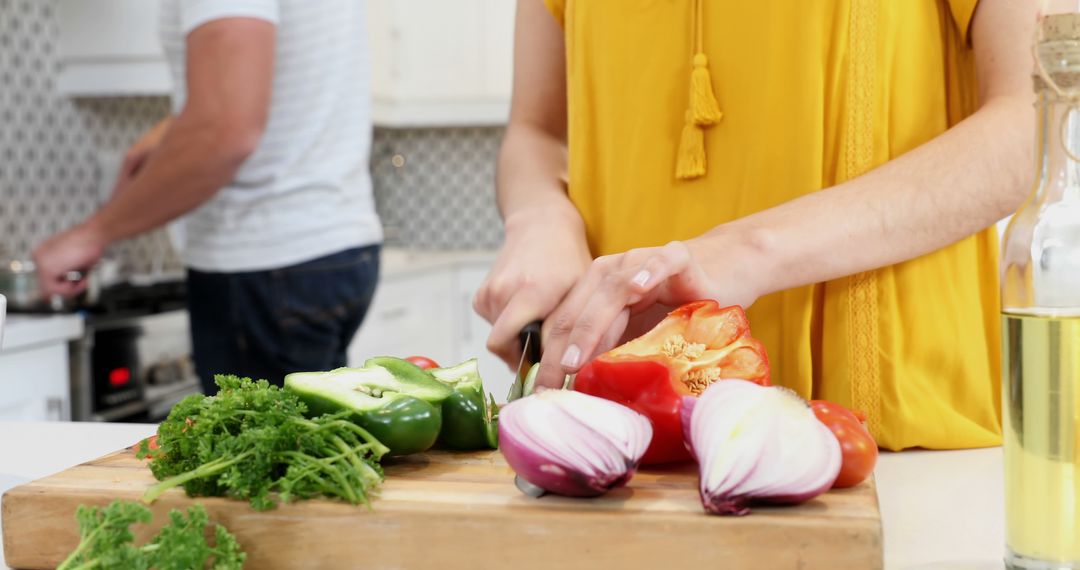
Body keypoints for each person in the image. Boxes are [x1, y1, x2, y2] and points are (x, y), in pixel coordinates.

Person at [474, 0, 1035, 451]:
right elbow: (537, 131)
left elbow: (1030, 121)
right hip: (627, 412)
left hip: (884, 426)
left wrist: (745, 250)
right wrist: (538, 217)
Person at [34, 1, 382, 394]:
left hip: (267, 259)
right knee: (314, 445)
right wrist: (180, 127)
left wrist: (92, 234)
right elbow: (277, 78)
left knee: (259, 450)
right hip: (331, 247)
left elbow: (225, 131)